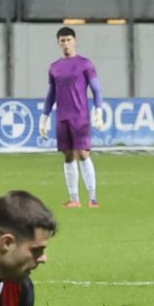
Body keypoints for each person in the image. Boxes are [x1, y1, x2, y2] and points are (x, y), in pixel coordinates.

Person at [39, 26, 102, 208]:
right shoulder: (54, 67)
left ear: (74, 41)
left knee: (83, 153)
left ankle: (93, 198)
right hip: (62, 117)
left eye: (68, 40)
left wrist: (98, 110)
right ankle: (74, 199)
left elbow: (96, 88)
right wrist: (45, 116)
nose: (66, 44)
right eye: (62, 41)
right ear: (58, 43)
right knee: (67, 156)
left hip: (80, 115)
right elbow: (51, 93)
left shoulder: (85, 64)